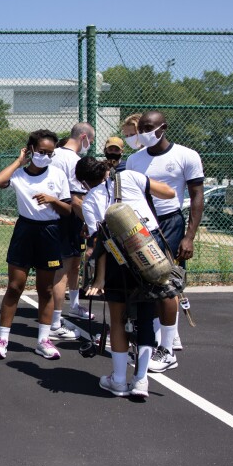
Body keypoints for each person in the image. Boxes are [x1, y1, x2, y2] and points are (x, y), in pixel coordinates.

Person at [75, 156, 176, 398]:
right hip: (148, 251)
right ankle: (141, 380)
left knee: (118, 319)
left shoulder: (89, 201)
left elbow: (98, 241)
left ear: (83, 181)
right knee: (145, 316)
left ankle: (118, 379)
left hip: (117, 260)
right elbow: (168, 193)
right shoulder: (130, 176)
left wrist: (99, 279)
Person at [125, 110, 204, 369]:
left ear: (163, 127)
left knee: (168, 284)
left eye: (149, 128)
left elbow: (196, 197)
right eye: (142, 129)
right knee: (147, 284)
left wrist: (189, 236)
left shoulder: (186, 155)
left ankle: (168, 349)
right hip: (144, 225)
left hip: (171, 223)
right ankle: (157, 339)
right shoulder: (135, 160)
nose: (144, 133)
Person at [0, 130, 72, 360]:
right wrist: (18, 160)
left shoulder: (57, 174)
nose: (45, 156)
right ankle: (2, 338)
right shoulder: (19, 175)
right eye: (42, 151)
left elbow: (68, 210)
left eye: (50, 153)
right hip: (25, 230)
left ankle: (43, 340)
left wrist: (54, 200)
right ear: (31, 149)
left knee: (45, 289)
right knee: (15, 286)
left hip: (50, 232)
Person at [49, 122, 96, 332]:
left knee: (75, 263)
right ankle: (55, 321)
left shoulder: (54, 154)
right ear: (84, 137)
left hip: (62, 217)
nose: (90, 145)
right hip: (66, 217)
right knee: (63, 269)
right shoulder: (71, 160)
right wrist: (90, 223)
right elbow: (76, 200)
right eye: (90, 141)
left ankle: (75, 305)